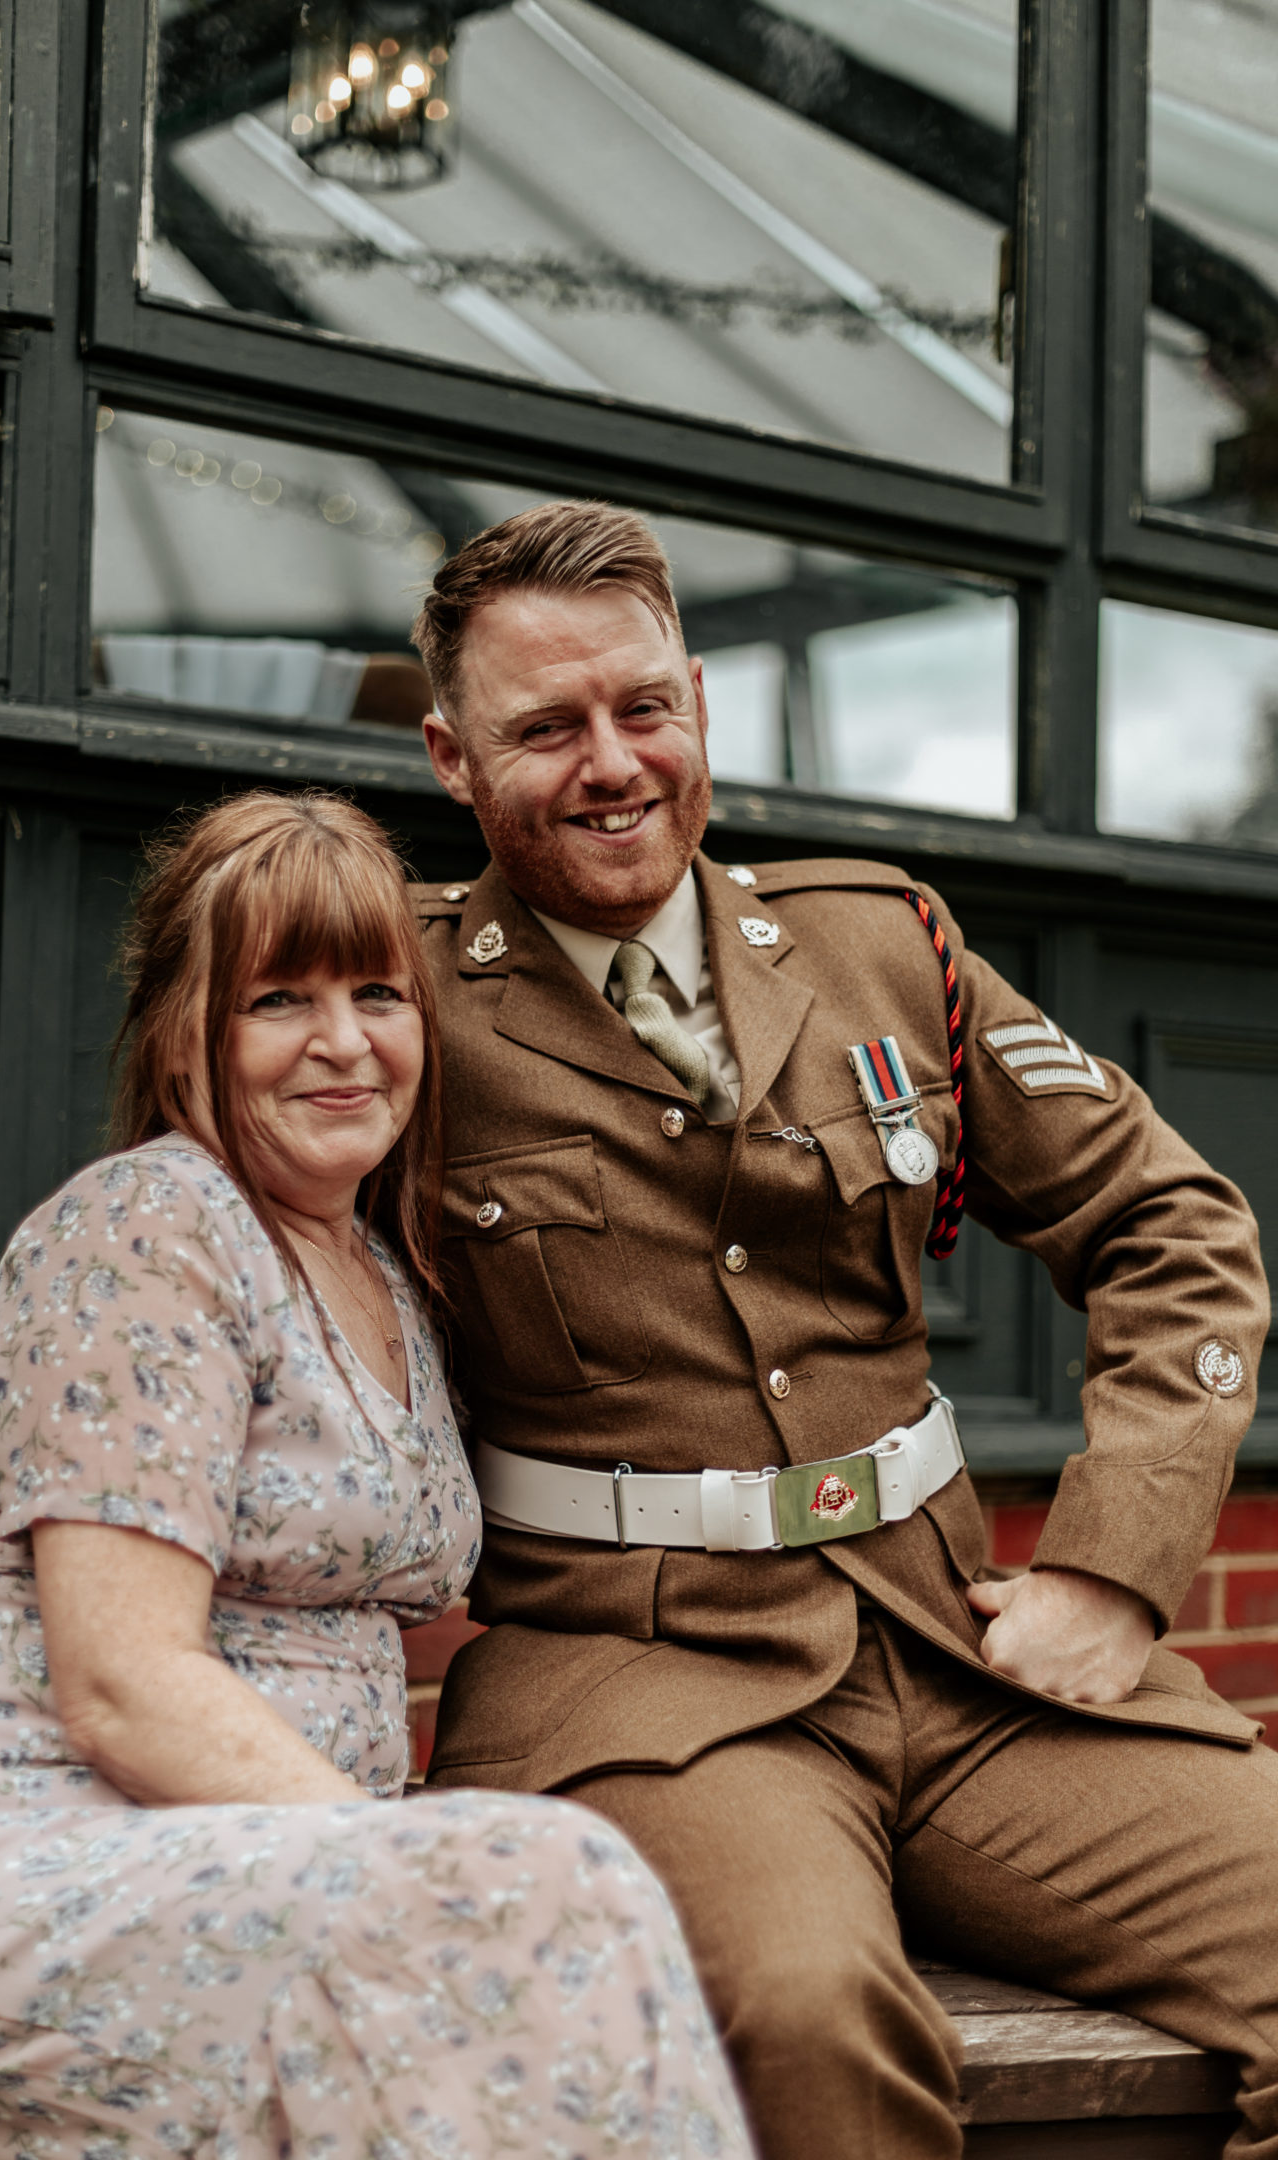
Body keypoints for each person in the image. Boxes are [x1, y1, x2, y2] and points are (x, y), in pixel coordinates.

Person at [406, 499, 1278, 2160]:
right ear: (456, 759)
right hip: (640, 1680)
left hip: (960, 1643)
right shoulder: (400, 1007)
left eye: (644, 708)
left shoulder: (882, 944)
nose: (611, 762)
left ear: (700, 702)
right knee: (812, 2028)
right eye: (546, 728)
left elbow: (1173, 1224)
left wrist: (1115, 1564)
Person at [0, 791, 755, 2160]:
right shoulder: (150, 1229)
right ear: (184, 1036)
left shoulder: (383, 1265)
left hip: (256, 1887)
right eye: (279, 999)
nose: (343, 1043)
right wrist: (401, 1868)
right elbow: (123, 1684)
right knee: (536, 1889)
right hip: (19, 1878)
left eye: (378, 991)